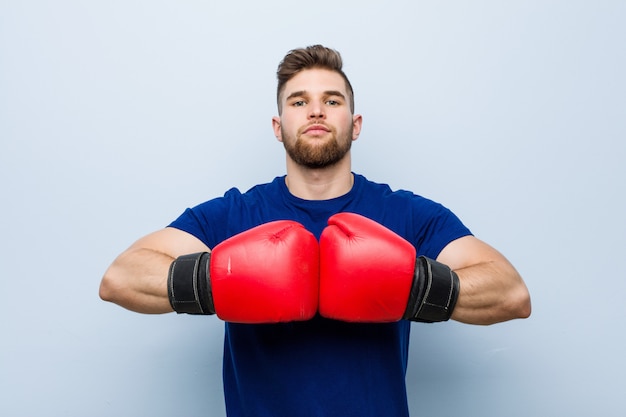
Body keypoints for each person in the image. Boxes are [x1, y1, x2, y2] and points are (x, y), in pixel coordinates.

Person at [100, 44, 531, 417]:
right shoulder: (234, 214)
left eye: (332, 100)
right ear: (278, 126)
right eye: (299, 101)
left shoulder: (407, 214)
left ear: (355, 124)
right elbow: (121, 278)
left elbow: (510, 293)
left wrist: (413, 284)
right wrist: (220, 278)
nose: (316, 111)